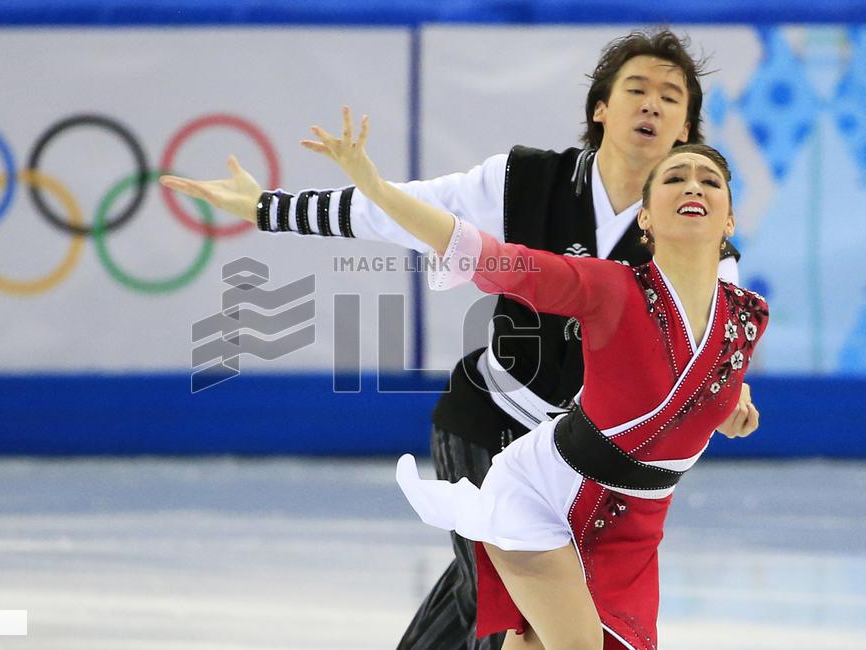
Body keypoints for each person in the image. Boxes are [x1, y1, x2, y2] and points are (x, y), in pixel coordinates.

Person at [160, 31, 759, 649]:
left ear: (688, 127)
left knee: (490, 595)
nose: (652, 105)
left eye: (670, 97)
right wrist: (268, 208)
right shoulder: (526, 181)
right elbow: (399, 212)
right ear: (600, 108)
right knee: (512, 606)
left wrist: (731, 402)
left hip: (582, 463)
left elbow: (707, 362)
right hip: (488, 421)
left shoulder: (706, 250)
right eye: (637, 89)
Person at [282, 108, 767, 649]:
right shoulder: (609, 287)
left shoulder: (746, 317)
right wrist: (375, 187)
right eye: (674, 178)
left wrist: (729, 409)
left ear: (729, 219)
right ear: (646, 220)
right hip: (545, 496)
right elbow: (490, 256)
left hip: (633, 529)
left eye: (710, 180)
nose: (692, 185)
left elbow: (688, 387)